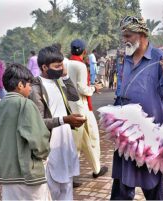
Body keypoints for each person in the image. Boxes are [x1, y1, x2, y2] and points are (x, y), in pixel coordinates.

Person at [111, 16, 163, 200]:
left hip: (150, 134)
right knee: (123, 184)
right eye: (123, 36)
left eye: (128, 35)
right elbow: (121, 90)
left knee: (153, 184)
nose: (125, 40)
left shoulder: (159, 58)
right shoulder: (124, 58)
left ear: (141, 35)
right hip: (126, 131)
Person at [29, 45, 86, 200]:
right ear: (44, 67)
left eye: (62, 65)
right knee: (52, 187)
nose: (61, 68)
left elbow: (74, 96)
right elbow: (39, 122)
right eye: (57, 66)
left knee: (67, 184)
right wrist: (65, 120)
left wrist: (66, 77)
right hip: (51, 143)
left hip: (65, 140)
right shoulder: (36, 89)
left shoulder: (58, 81)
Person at [0, 63, 51, 200]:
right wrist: (43, 155)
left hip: (6, 174)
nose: (30, 89)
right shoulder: (26, 105)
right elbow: (39, 141)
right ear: (20, 85)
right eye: (29, 85)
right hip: (28, 174)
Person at [68, 39, 108, 179]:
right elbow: (82, 88)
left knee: (80, 141)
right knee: (90, 138)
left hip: (70, 106)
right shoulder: (80, 66)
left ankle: (94, 169)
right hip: (82, 106)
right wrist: (94, 88)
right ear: (85, 52)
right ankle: (75, 174)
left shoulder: (66, 63)